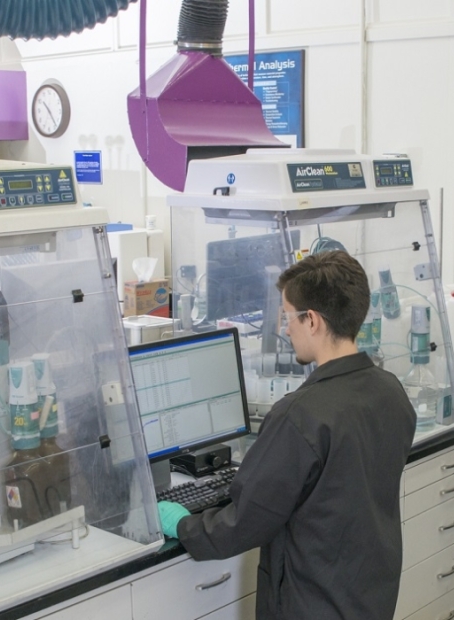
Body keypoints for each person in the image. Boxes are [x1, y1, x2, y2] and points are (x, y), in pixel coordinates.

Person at [157, 250, 417, 620]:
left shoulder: (301, 416)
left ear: (311, 320)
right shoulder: (389, 391)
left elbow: (243, 522)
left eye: (287, 316)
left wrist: (182, 524)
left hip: (314, 601)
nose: (284, 328)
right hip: (369, 593)